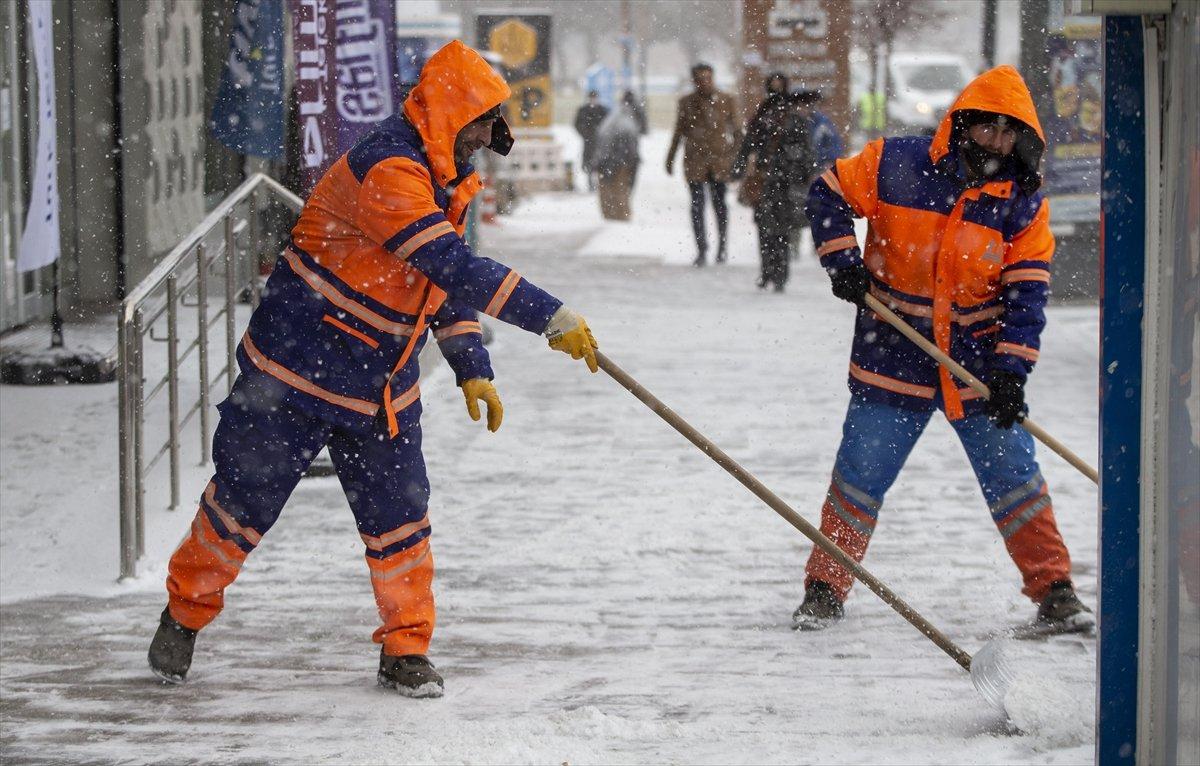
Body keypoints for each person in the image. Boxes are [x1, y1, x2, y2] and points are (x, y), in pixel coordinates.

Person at [146, 41, 601, 698]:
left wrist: (470, 363)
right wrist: (548, 314)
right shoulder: (389, 170)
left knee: (401, 521)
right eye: (481, 120)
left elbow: (435, 285)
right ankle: (183, 615)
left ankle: (406, 649)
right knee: (239, 507)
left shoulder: (444, 177)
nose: (488, 135)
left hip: (382, 385)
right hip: (296, 373)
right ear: (449, 114)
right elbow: (451, 266)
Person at [794, 65, 1094, 636]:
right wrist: (843, 262)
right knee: (860, 474)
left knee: (1015, 479)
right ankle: (824, 587)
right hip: (893, 353)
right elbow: (827, 192)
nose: (998, 144)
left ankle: (1054, 589)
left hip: (976, 367)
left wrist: (1012, 373)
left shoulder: (1022, 203)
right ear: (963, 122)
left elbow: (1027, 294)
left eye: (1011, 134)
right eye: (989, 129)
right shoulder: (895, 164)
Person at [733, 82, 815, 291]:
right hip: (767, 184)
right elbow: (747, 147)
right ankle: (770, 272)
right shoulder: (764, 122)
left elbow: (805, 154)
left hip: (783, 185)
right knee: (768, 230)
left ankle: (778, 274)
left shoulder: (790, 122)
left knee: (779, 232)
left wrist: (798, 172)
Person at [666, 63, 742, 267]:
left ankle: (722, 247)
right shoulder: (687, 103)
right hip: (695, 162)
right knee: (697, 206)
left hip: (719, 162)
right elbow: (678, 131)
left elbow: (737, 132)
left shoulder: (727, 101)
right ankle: (702, 248)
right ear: (694, 81)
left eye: (708, 78)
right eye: (700, 79)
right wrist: (670, 158)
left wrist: (736, 158)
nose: (705, 83)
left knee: (720, 206)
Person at [787, 88, 844, 261]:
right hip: (795, 174)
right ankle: (793, 245)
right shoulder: (791, 123)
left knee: (817, 209)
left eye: (806, 104)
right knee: (794, 209)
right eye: (800, 104)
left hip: (817, 173)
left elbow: (834, 146)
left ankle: (817, 245)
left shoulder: (821, 123)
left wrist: (823, 165)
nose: (803, 108)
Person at [593, 92, 643, 221]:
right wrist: (631, 160)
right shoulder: (627, 120)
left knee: (607, 187)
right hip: (620, 159)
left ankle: (609, 213)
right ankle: (621, 214)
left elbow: (601, 137)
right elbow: (631, 142)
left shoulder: (612, 118)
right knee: (621, 187)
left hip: (605, 158)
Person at [573, 90, 609, 191]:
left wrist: (602, 134)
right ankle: (590, 182)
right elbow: (577, 124)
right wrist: (585, 133)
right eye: (591, 98)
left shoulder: (603, 110)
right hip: (588, 141)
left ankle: (599, 182)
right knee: (588, 162)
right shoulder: (583, 110)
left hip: (600, 142)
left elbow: (607, 125)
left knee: (601, 161)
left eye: (595, 98)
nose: (593, 100)